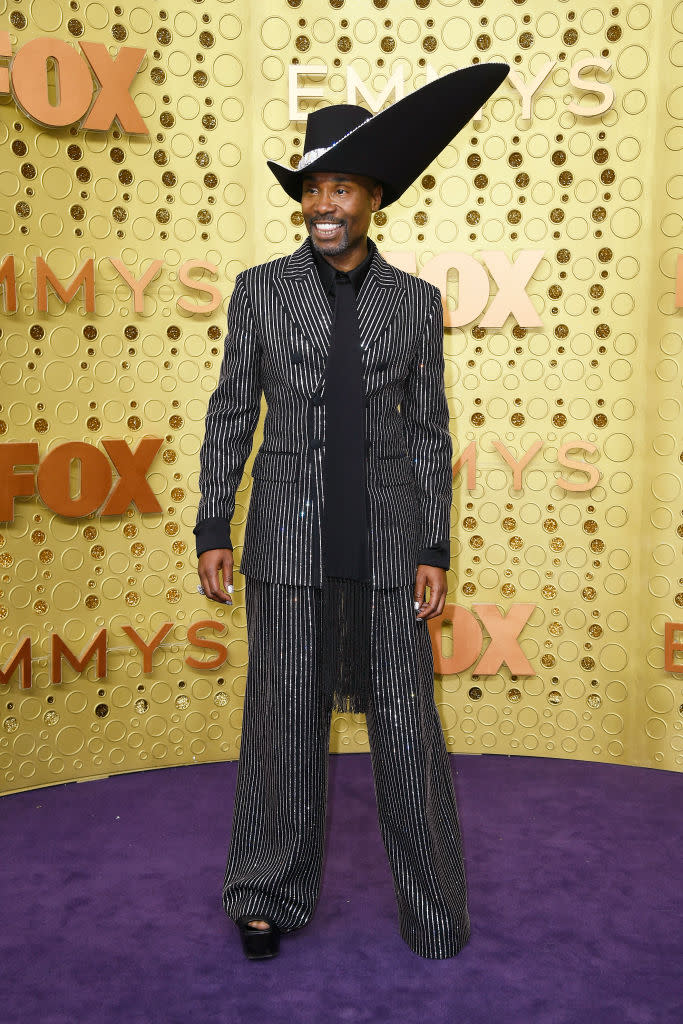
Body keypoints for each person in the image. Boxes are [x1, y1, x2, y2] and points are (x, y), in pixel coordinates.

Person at [194, 63, 509, 960]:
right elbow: (230, 411)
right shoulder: (259, 290)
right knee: (281, 724)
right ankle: (262, 892)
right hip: (284, 545)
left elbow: (428, 433)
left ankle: (434, 909)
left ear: (373, 197)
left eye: (342, 186)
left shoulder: (414, 303)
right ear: (301, 199)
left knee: (408, 732)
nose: (324, 202)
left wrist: (434, 547)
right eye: (312, 187)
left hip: (385, 541)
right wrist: (213, 522)